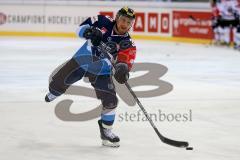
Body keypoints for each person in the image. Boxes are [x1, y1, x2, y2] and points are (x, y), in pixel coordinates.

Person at [44, 6, 136, 147]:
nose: (125, 24)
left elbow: (126, 61)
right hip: (82, 60)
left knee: (111, 101)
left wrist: (122, 69)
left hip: (101, 72)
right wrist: (88, 32)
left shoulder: (128, 43)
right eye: (123, 20)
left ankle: (106, 132)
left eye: (129, 22)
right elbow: (79, 29)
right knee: (57, 85)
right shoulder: (102, 20)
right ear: (117, 18)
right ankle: (55, 92)